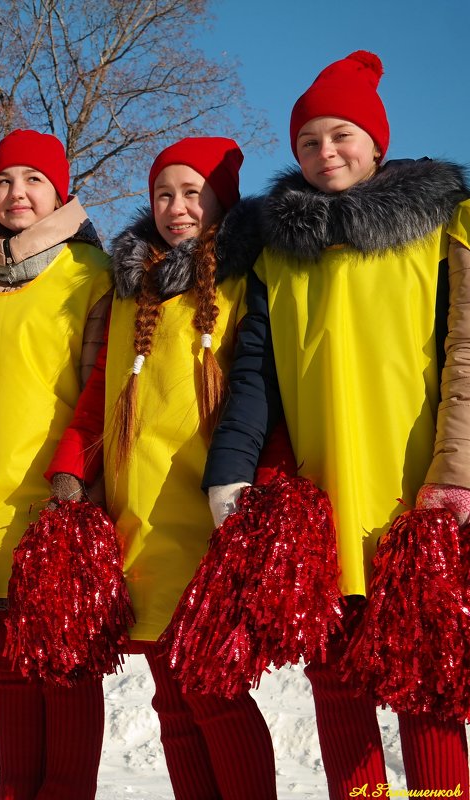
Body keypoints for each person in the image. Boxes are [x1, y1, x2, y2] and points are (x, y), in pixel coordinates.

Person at [203, 51, 470, 796]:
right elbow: (255, 377)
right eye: (309, 141)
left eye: (342, 135)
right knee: (338, 681)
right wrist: (233, 471)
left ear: (377, 144)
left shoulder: (437, 234)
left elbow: (464, 355)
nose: (327, 153)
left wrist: (457, 474)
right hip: (320, 504)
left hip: (419, 504)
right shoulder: (277, 257)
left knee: (427, 686)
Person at [47, 137, 277, 799]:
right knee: (172, 701)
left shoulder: (242, 280)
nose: (176, 208)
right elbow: (99, 390)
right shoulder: (133, 289)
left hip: (208, 515)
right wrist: (71, 470)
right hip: (136, 513)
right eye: (163, 194)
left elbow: (265, 389)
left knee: (215, 693)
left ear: (221, 200)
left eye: (192, 193)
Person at [0, 129, 110, 800]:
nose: (17, 193)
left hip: (65, 508)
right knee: (10, 676)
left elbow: (103, 391)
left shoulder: (91, 274)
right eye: (4, 181)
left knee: (67, 673)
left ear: (60, 191)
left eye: (33, 180)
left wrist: (81, 491)